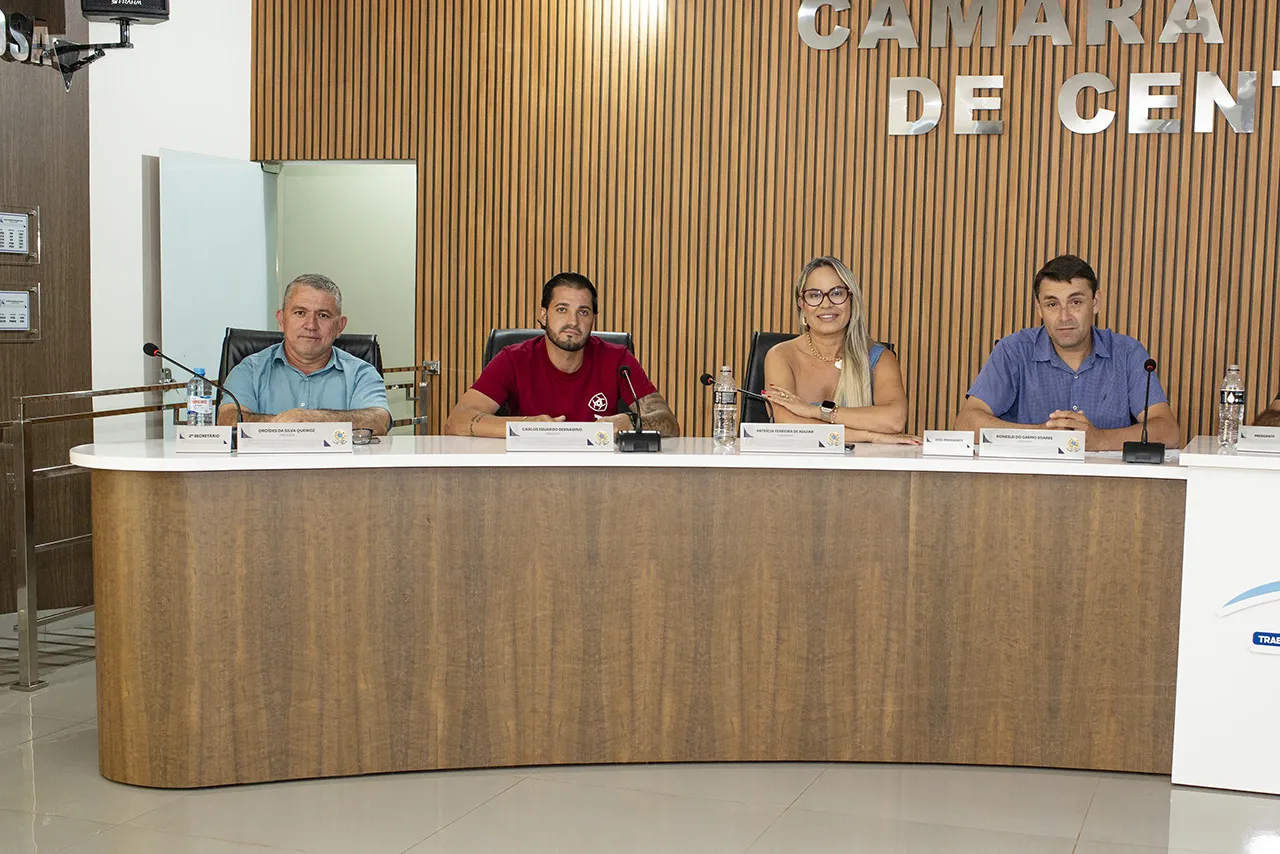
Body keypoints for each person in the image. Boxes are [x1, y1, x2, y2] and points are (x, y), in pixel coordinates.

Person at [954, 254, 1180, 450]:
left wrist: (1099, 440)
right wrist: (1043, 435)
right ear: (1039, 308)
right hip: (1029, 482)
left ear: (1096, 302)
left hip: (1106, 484)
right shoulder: (1013, 351)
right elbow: (966, 423)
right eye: (1052, 304)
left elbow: (1168, 431)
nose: (1064, 317)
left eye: (1075, 302)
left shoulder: (1127, 353)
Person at [444, 272, 679, 438]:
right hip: (527, 471)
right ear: (543, 315)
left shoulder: (618, 359)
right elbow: (457, 421)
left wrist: (632, 421)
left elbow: (669, 423)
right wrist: (527, 425)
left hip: (599, 473)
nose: (573, 322)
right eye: (562, 309)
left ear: (593, 319)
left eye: (583, 312)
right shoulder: (513, 359)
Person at [760, 256, 918, 443]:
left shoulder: (880, 358)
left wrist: (816, 411)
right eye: (814, 295)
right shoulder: (781, 356)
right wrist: (869, 436)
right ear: (802, 305)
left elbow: (894, 420)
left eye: (836, 293)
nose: (826, 304)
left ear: (852, 299)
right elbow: (787, 424)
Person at [217, 274, 392, 434]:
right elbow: (227, 420)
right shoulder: (250, 370)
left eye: (323, 315)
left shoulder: (361, 373)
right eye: (300, 313)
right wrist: (290, 426)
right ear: (281, 320)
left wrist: (316, 419)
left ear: (340, 326)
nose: (311, 325)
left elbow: (378, 421)